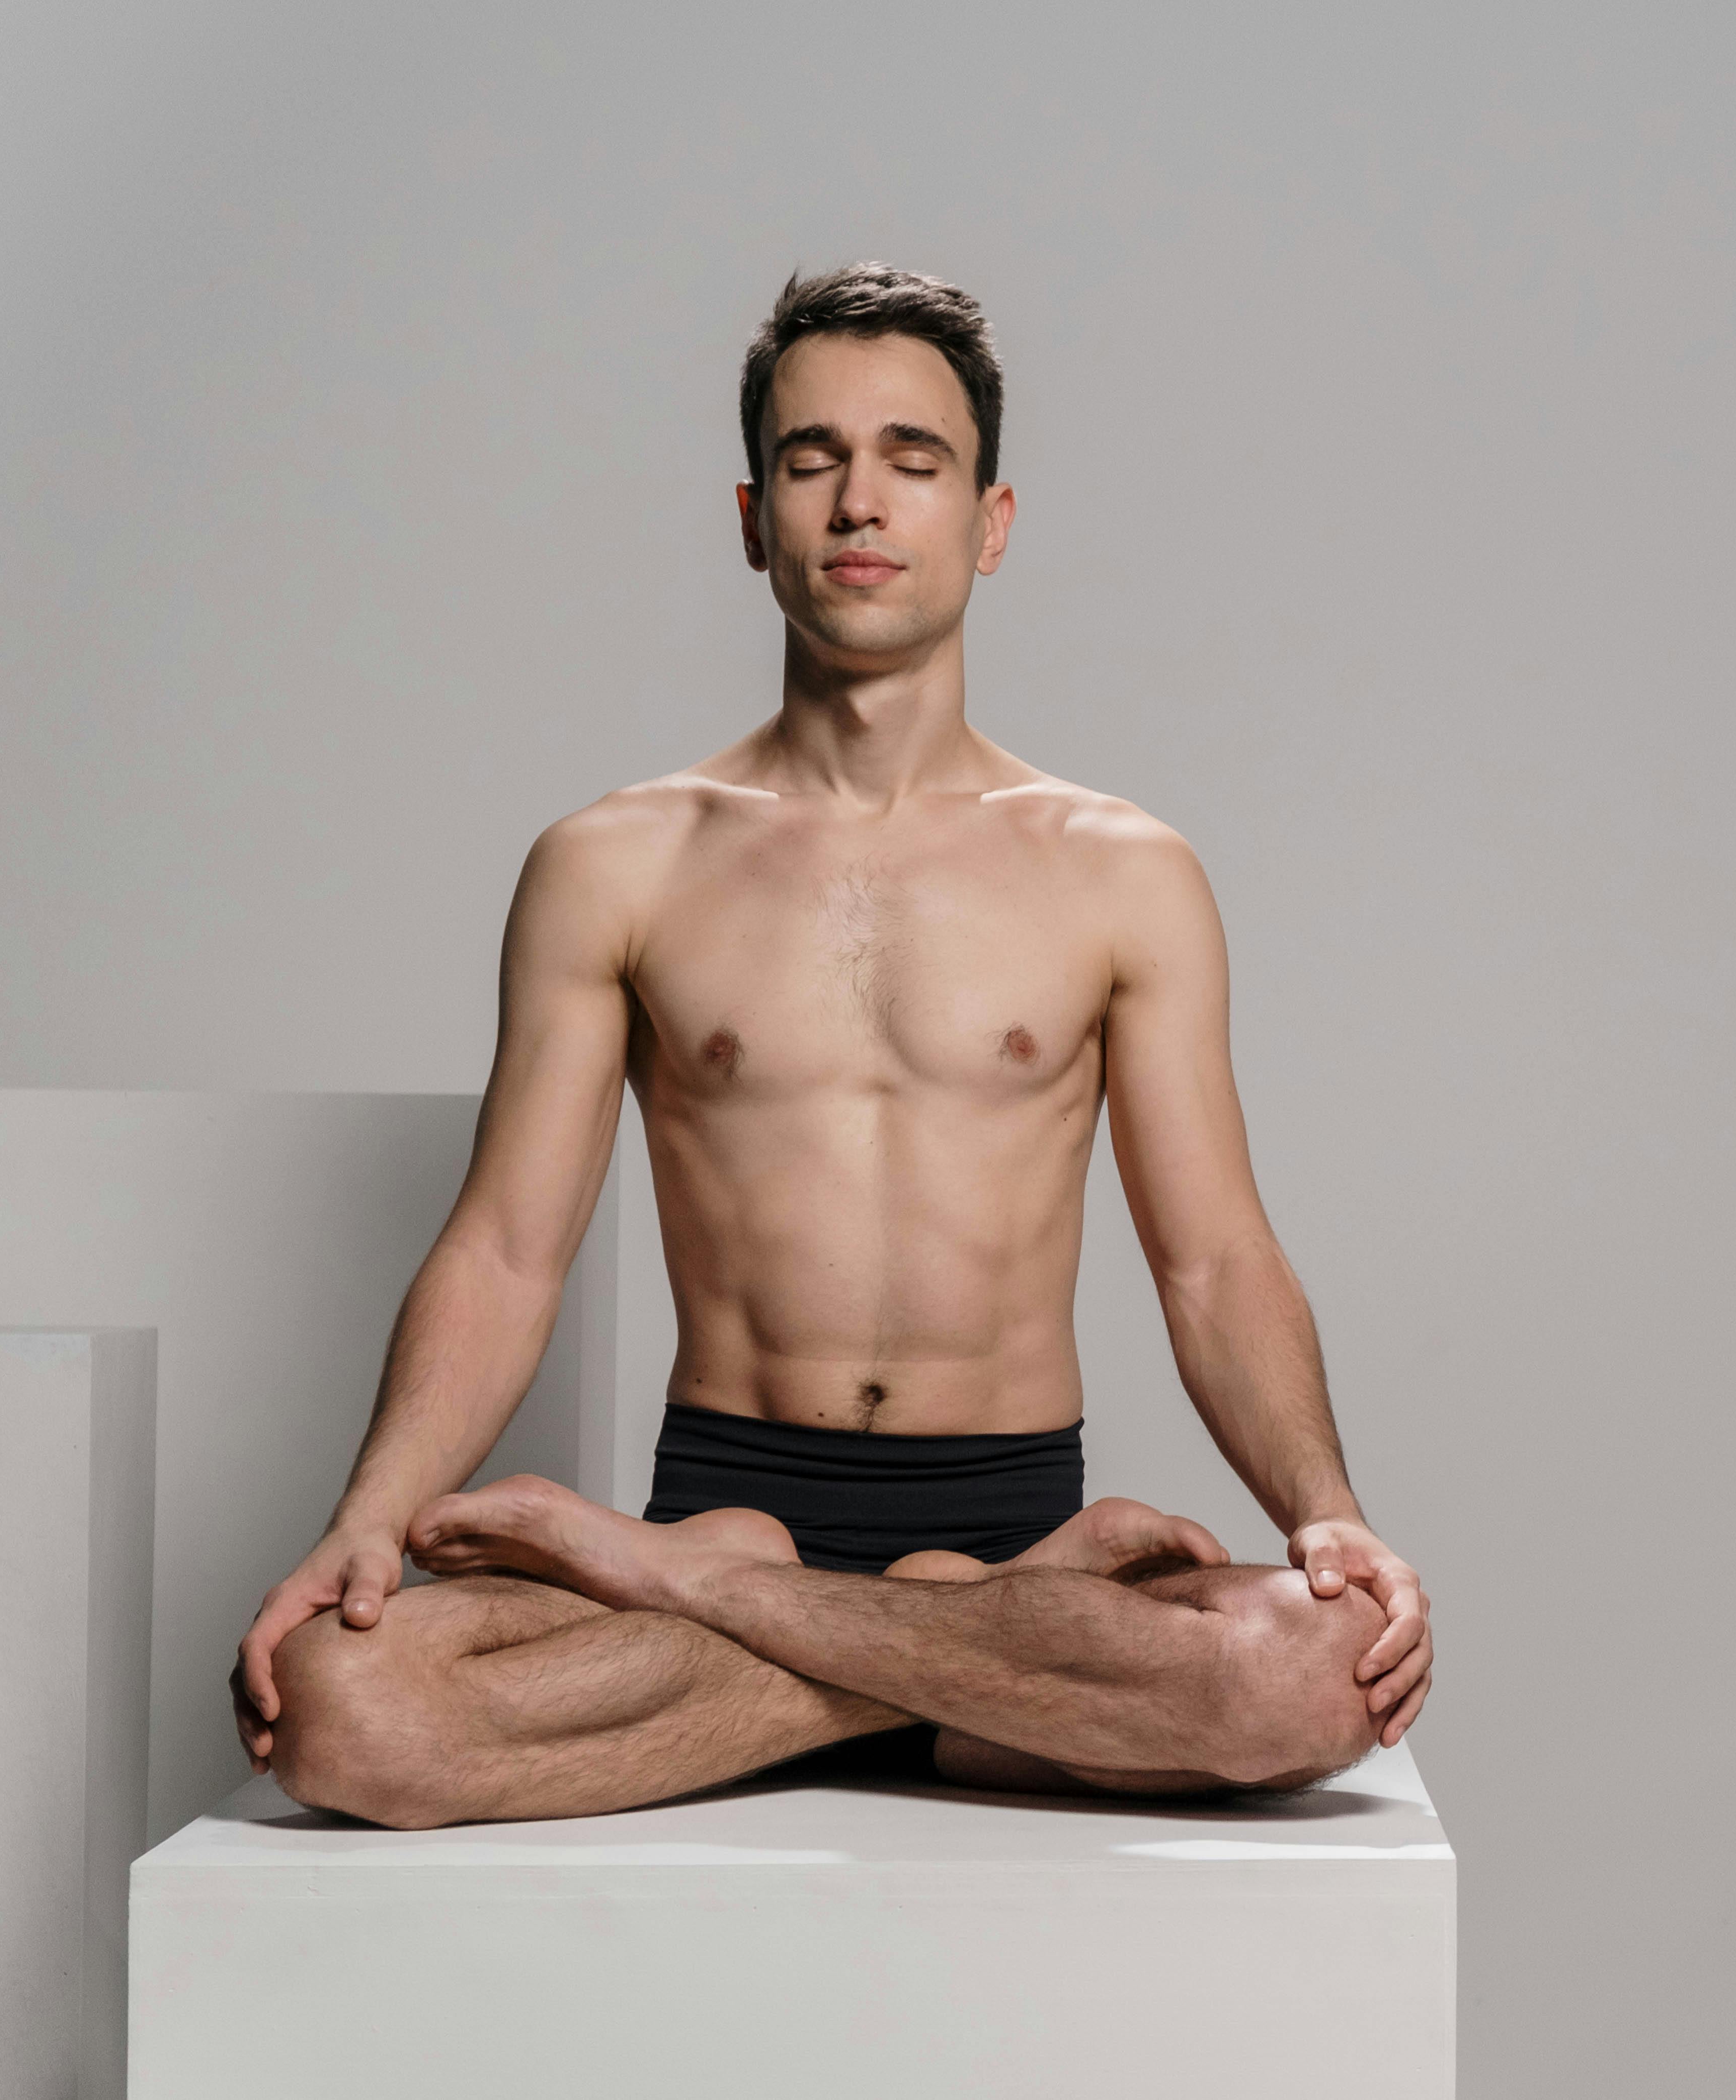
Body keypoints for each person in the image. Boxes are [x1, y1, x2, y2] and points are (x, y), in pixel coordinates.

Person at [226, 265, 1432, 1827]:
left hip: (971, 1519)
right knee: (341, 1711)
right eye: (814, 461)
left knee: (1320, 1669)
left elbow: (1212, 1258)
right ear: (753, 517)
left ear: (990, 522)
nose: (862, 500)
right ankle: (969, 1676)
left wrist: (1327, 1513)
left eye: (913, 461)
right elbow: (511, 1247)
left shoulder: (1123, 870)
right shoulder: (617, 862)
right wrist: (369, 1516)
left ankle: (732, 1608)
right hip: (763, 1501)